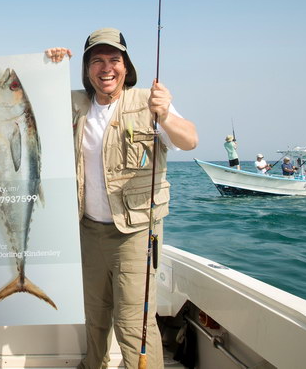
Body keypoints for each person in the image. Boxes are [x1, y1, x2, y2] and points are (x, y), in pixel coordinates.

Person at [45, 28, 198, 369]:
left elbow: (189, 140)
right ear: (87, 70)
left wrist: (165, 113)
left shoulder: (149, 101)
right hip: (88, 230)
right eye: (96, 61)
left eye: (114, 59)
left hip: (134, 234)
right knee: (95, 315)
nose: (106, 68)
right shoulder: (73, 104)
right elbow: (25, 100)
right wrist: (50, 67)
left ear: (126, 67)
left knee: (132, 324)